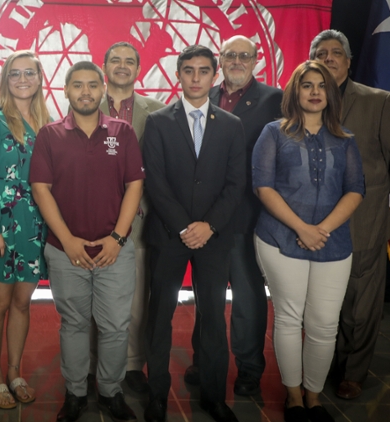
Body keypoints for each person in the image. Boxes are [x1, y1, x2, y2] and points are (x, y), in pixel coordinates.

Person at [30, 61, 144, 422]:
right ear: (65, 90)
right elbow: (41, 189)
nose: (85, 92)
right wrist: (68, 240)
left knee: (115, 326)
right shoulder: (49, 134)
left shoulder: (122, 132)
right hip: (66, 252)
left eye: (92, 85)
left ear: (103, 89)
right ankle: (76, 392)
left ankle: (111, 392)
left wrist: (117, 238)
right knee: (74, 324)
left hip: (114, 251)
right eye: (77, 85)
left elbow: (134, 186)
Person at [252, 60, 365, 422]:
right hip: (280, 238)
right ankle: (294, 398)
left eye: (321, 85)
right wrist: (302, 227)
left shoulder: (345, 140)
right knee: (288, 317)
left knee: (324, 324)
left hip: (332, 243)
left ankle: (314, 398)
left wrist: (322, 229)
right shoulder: (273, 133)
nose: (315, 92)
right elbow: (263, 186)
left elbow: (356, 190)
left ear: (330, 94)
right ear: (294, 91)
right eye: (307, 85)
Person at [309, 29, 390, 400]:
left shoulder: (379, 101)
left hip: (362, 222)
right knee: (320, 303)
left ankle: (352, 373)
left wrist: (368, 188)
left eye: (336, 52)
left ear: (349, 61)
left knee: (359, 305)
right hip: (311, 224)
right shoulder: (302, 101)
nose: (328, 58)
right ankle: (321, 366)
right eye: (320, 53)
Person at [142, 45, 245, 422]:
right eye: (189, 70)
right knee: (159, 315)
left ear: (215, 75)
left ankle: (214, 396)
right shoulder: (157, 122)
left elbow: (236, 184)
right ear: (179, 75)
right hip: (169, 235)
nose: (197, 77)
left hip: (214, 238)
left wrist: (208, 226)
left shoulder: (232, 125)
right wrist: (185, 227)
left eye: (204, 70)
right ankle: (156, 395)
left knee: (214, 317)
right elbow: (154, 180)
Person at [179, 35, 282, 396]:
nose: (237, 60)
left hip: (245, 217)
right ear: (219, 60)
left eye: (245, 55)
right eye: (230, 54)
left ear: (256, 61)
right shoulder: (201, 94)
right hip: (202, 217)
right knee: (206, 295)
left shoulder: (274, 100)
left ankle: (250, 369)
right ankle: (204, 359)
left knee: (248, 298)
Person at [0, 50, 50, 409]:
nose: (23, 79)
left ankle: (15, 372)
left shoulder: (46, 120)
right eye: (15, 73)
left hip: (34, 225)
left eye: (29, 73)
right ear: (5, 78)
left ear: (39, 78)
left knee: (22, 303)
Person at [87, 42, 165, 393]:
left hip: (140, 221)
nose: (122, 66)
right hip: (90, 221)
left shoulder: (159, 112)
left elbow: (162, 170)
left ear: (138, 68)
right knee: (90, 298)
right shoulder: (84, 105)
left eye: (128, 61)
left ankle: (132, 364)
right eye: (114, 60)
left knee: (135, 299)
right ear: (104, 66)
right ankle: (90, 365)